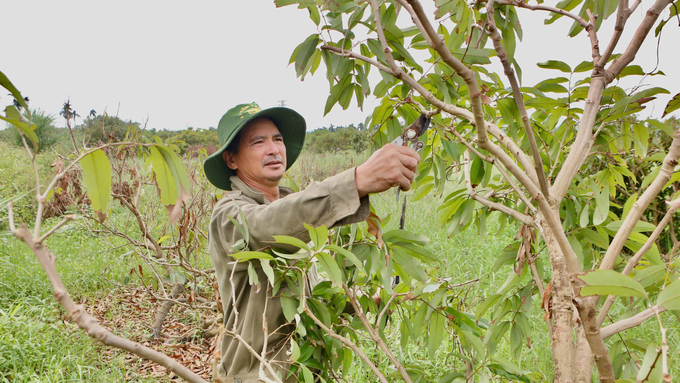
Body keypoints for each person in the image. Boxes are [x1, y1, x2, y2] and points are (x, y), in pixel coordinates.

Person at [204, 102, 420, 383]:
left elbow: (311, 304)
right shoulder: (229, 213)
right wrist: (357, 180)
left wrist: (370, 303)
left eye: (278, 139)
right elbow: (266, 226)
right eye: (258, 142)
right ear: (232, 160)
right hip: (256, 375)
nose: (273, 149)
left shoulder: (291, 207)